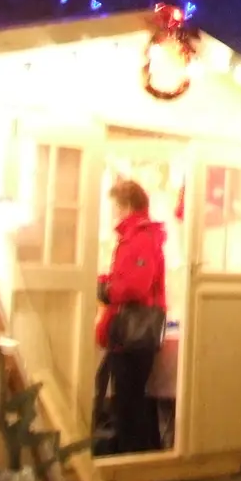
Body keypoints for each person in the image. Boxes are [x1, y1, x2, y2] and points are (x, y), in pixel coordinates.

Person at [94, 179, 168, 455]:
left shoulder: (139, 238)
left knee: (128, 400)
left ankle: (131, 467)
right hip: (131, 331)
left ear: (126, 206)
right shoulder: (136, 237)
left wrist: (106, 287)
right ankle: (141, 460)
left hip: (131, 333)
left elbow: (135, 285)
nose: (112, 212)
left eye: (115, 205)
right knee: (131, 398)